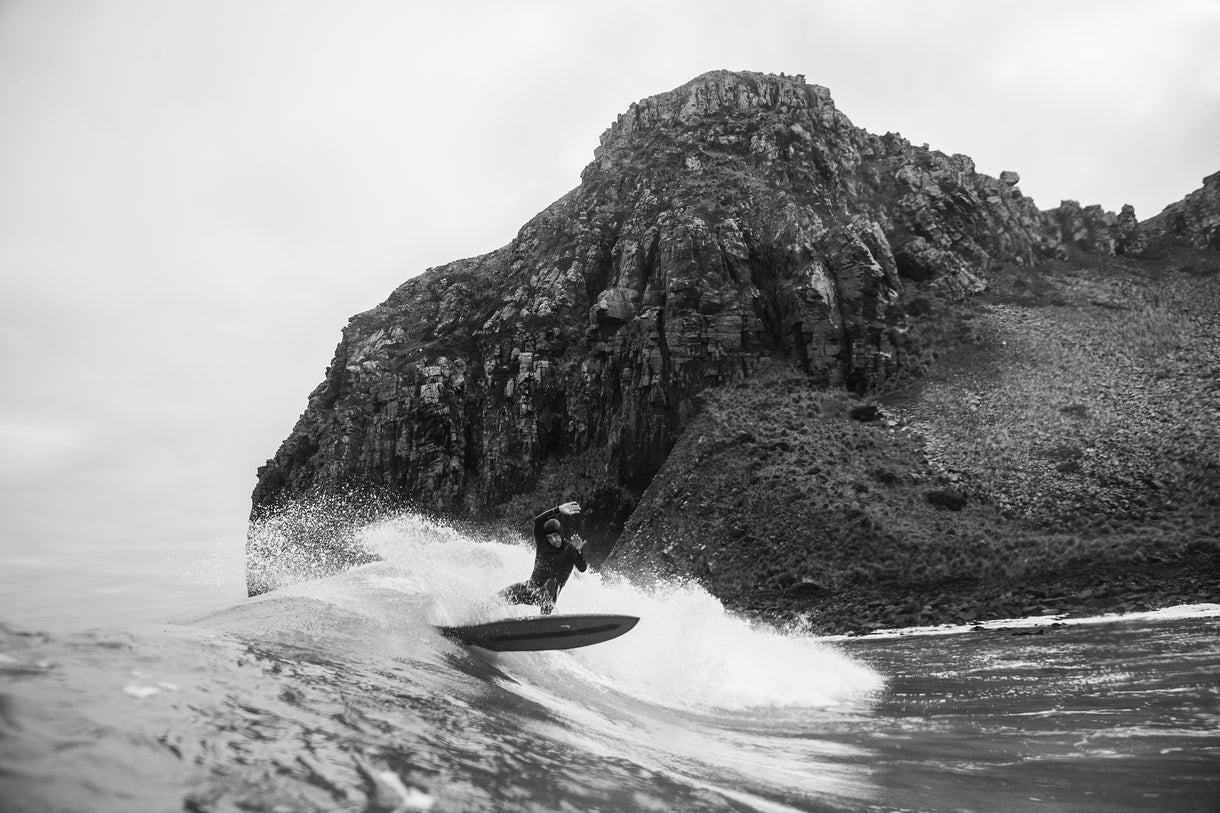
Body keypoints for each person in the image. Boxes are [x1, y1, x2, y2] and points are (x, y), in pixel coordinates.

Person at [500, 501, 587, 615]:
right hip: (531, 590)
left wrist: (579, 551)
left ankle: (544, 619)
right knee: (503, 595)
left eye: (556, 536)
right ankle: (483, 613)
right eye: (550, 537)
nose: (553, 540)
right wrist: (558, 509)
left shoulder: (570, 548)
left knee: (552, 583)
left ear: (561, 534)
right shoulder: (542, 543)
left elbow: (582, 568)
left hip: (549, 594)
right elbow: (538, 521)